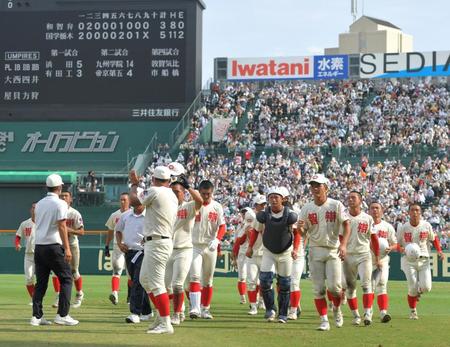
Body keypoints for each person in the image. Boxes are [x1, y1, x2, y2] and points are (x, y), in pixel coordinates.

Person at [129, 166, 178, 334]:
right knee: (145, 280)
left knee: (156, 284)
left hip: (157, 242)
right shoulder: (171, 193)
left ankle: (166, 323)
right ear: (169, 180)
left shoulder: (156, 191)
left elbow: (134, 201)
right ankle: (160, 316)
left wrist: (135, 184)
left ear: (154, 179)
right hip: (158, 240)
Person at [299, 174, 350, 331]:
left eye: (318, 185)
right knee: (318, 288)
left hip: (333, 249)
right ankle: (324, 320)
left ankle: (337, 309)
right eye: (313, 185)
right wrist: (300, 228)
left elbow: (347, 225)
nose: (315, 188)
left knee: (335, 288)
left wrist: (343, 245)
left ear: (326, 188)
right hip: (315, 249)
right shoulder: (306, 208)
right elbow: (303, 233)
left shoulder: (336, 205)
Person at [31, 173, 78, 326]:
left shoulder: (39, 204)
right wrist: (67, 248)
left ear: (47, 186)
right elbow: (62, 226)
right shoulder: (60, 204)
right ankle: (62, 315)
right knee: (66, 278)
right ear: (59, 187)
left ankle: (36, 317)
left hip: (39, 247)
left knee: (41, 283)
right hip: (53, 246)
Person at [252, 187, 299, 323]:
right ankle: (270, 309)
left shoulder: (290, 215)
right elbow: (255, 230)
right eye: (271, 197)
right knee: (265, 280)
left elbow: (296, 233)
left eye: (276, 197)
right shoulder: (263, 214)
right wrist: (250, 247)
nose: (273, 200)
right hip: (268, 251)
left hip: (285, 252)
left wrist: (295, 249)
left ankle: (283, 314)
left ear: (283, 199)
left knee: (284, 284)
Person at [164, 174, 203, 325]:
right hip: (168, 249)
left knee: (177, 284)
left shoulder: (188, 206)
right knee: (166, 286)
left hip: (184, 249)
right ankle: (176, 311)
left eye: (177, 191)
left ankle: (176, 313)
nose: (175, 194)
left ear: (183, 193)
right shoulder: (166, 208)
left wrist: (188, 187)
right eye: (172, 191)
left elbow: (200, 201)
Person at [397, 203, 444, 320]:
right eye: (412, 210)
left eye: (417, 210)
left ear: (421, 212)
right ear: (408, 213)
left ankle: (418, 290)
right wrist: (401, 249)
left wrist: (439, 251)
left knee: (426, 287)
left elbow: (434, 239)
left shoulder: (426, 225)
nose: (415, 212)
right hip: (408, 261)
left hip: (424, 260)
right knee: (412, 286)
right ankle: (413, 311)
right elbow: (397, 244)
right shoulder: (403, 227)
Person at [188, 180, 226, 320]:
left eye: (208, 194)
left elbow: (222, 226)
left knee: (208, 280)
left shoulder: (217, 207)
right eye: (203, 194)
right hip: (194, 245)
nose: (205, 196)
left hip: (209, 246)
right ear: (198, 192)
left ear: (212, 192)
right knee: (194, 276)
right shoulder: (192, 205)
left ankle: (205, 309)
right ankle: (195, 308)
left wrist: (217, 240)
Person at [343, 191, 380, 326]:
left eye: (353, 197)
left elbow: (374, 239)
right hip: (348, 256)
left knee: (366, 284)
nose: (350, 200)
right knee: (350, 288)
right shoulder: (343, 217)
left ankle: (368, 313)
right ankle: (356, 315)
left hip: (364, 254)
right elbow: (340, 237)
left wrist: (377, 256)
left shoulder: (368, 218)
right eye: (349, 197)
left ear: (360, 200)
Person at [115, 199, 152, 323]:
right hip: (129, 252)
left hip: (144, 252)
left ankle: (135, 312)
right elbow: (118, 230)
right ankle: (147, 311)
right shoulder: (125, 215)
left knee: (138, 280)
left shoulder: (150, 216)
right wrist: (120, 243)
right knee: (138, 281)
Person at [369, 201, 398, 323]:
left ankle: (383, 313)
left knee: (382, 284)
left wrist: (391, 248)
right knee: (369, 287)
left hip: (383, 259)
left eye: (377, 208)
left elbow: (395, 243)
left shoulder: (388, 227)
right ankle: (368, 312)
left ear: (381, 210)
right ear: (369, 211)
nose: (375, 210)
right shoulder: (366, 224)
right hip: (368, 259)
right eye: (372, 208)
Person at [57, 191, 85, 309]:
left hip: (72, 244)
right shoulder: (56, 211)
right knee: (58, 272)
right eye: (62, 196)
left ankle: (79, 294)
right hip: (58, 244)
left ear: (71, 199)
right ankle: (59, 296)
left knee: (74, 271)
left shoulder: (74, 213)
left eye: (66, 196)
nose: (63, 197)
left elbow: (82, 232)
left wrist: (68, 230)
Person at [104, 192, 132, 305]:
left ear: (129, 201)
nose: (122, 202)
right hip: (117, 246)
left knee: (131, 274)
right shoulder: (114, 215)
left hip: (131, 246)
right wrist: (106, 245)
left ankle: (130, 297)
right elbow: (110, 231)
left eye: (124, 199)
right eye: (121, 199)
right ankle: (114, 293)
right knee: (117, 269)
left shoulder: (133, 213)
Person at [245, 194, 267, 315]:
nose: (263, 206)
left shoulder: (268, 215)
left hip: (265, 252)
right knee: (251, 280)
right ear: (256, 205)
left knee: (264, 281)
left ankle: (262, 300)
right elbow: (248, 232)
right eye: (261, 204)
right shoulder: (251, 215)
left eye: (264, 204)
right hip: (253, 252)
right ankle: (253, 306)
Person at [232, 207, 255, 305]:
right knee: (242, 277)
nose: (244, 214)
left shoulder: (256, 224)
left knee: (254, 278)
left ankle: (258, 299)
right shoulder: (240, 226)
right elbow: (238, 242)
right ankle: (242, 297)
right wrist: (234, 256)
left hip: (253, 252)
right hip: (242, 252)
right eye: (243, 212)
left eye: (246, 212)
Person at [15, 202, 37, 304]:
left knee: (42, 279)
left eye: (36, 208)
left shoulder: (43, 223)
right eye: (33, 207)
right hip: (29, 254)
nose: (34, 209)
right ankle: (34, 298)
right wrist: (17, 244)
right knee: (29, 278)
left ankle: (38, 297)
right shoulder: (24, 223)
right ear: (30, 210)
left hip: (42, 254)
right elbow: (18, 236)